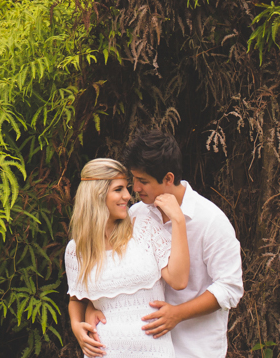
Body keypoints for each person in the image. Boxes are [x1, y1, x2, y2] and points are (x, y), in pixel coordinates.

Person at [117, 131, 245, 358]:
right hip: (145, 349)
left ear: (168, 178)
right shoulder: (137, 215)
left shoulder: (211, 221)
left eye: (143, 181)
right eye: (134, 179)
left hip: (195, 349)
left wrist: (177, 314)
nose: (135, 188)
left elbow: (229, 287)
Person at [66, 158, 189, 358]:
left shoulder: (144, 225)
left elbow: (179, 280)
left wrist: (178, 220)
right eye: (118, 189)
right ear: (97, 195)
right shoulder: (77, 250)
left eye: (126, 188)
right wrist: (75, 325)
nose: (127, 195)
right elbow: (76, 298)